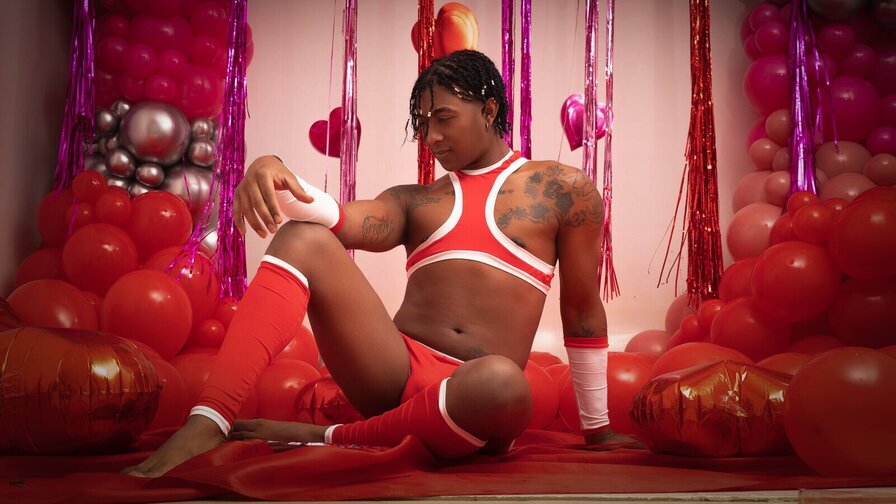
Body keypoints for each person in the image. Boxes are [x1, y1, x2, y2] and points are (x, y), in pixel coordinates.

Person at [125, 49, 638, 478]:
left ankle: (330, 436)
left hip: (474, 398)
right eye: (423, 124)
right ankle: (207, 422)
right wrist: (271, 167)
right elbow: (340, 218)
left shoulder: (562, 191)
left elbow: (581, 310)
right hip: (392, 373)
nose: (431, 137)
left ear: (488, 109)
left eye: (443, 119)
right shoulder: (415, 201)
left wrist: (597, 430)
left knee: (506, 383)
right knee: (304, 237)